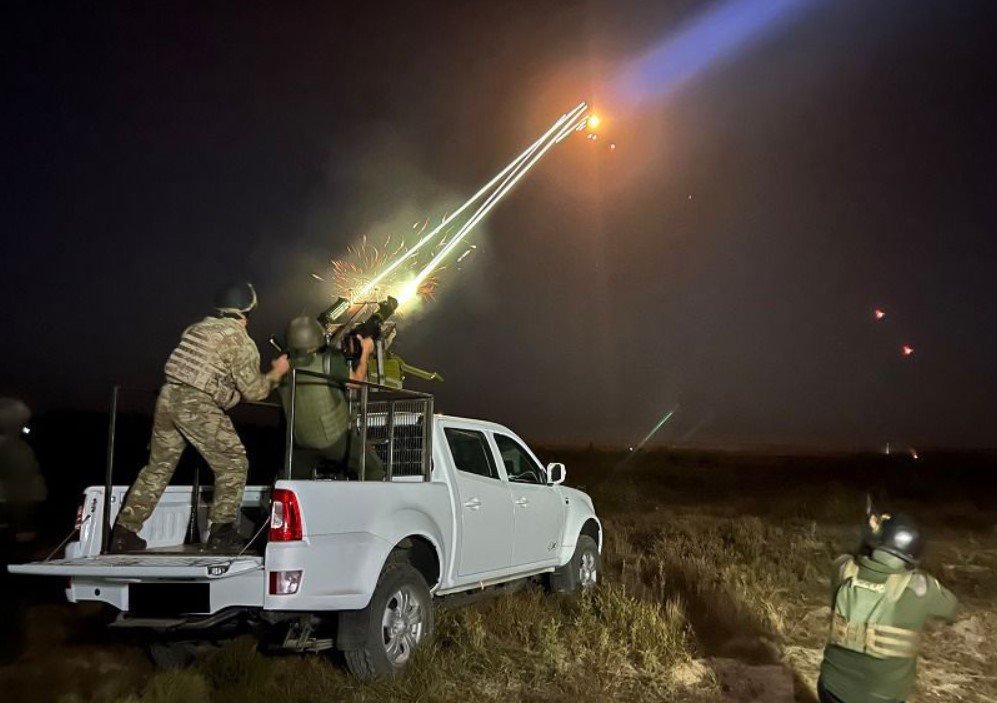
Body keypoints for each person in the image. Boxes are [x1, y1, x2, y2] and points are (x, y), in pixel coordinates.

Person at [111, 283, 290, 553]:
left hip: (168, 398)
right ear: (247, 313)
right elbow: (255, 391)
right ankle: (221, 534)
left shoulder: (195, 329)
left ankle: (124, 533)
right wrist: (277, 372)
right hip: (196, 403)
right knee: (233, 461)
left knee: (158, 468)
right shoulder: (241, 341)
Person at [817, 513, 958, 703]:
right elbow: (951, 607)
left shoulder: (843, 569)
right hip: (884, 698)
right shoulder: (921, 587)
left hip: (831, 690)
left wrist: (871, 537)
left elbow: (855, 555)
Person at [278, 316, 385, 480]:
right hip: (332, 438)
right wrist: (365, 352)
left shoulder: (283, 366)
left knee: (289, 479)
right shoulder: (329, 360)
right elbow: (356, 382)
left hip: (300, 440)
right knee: (372, 467)